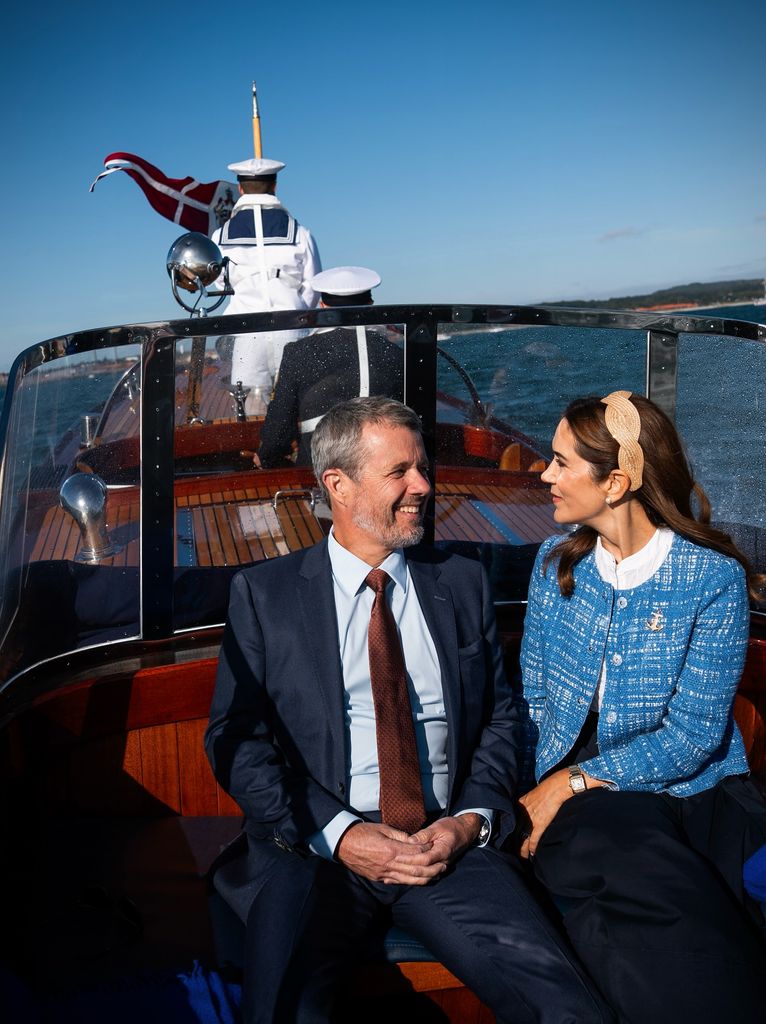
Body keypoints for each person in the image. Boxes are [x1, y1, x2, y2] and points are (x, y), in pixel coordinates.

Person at [205, 396, 611, 1024]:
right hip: (315, 854)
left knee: (568, 1006)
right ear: (338, 484)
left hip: (446, 844)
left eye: (422, 467)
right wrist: (341, 835)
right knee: (284, 1010)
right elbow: (237, 739)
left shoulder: (461, 581)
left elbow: (501, 719)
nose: (424, 485)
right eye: (400, 472)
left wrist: (469, 822)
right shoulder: (265, 596)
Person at [517, 390, 766, 1023]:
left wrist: (568, 787)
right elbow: (538, 695)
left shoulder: (710, 577)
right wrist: (553, 780)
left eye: (561, 461)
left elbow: (693, 736)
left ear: (618, 481)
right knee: (625, 865)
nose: (543, 474)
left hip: (692, 783)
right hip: (580, 776)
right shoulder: (555, 564)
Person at [256, 266, 403, 467]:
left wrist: (266, 456)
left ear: (322, 306)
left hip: (318, 473)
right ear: (370, 305)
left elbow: (279, 427)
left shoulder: (298, 352)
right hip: (383, 468)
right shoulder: (394, 353)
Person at [213, 157, 321, 412]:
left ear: (240, 189)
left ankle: (260, 451)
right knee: (299, 403)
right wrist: (294, 310)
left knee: (251, 408)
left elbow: (220, 283)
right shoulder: (300, 232)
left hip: (246, 331)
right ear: (274, 186)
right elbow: (314, 285)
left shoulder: (221, 236)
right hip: (291, 328)